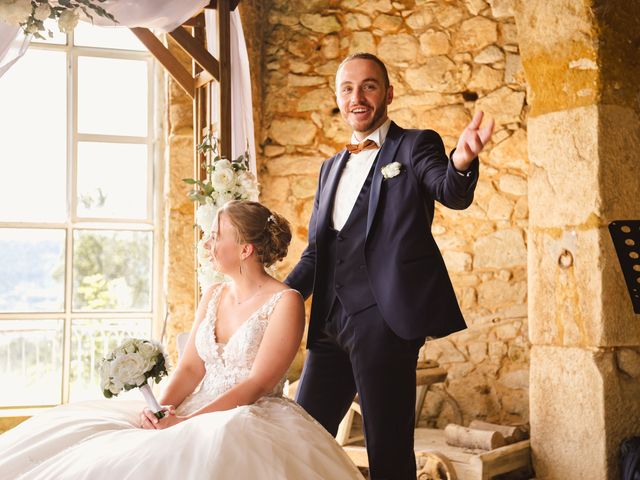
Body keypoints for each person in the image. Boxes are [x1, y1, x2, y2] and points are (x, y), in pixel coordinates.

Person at [0, 200, 364, 480]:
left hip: (247, 417)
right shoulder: (214, 294)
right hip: (192, 405)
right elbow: (191, 368)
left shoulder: (285, 302)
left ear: (245, 249)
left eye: (217, 235)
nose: (207, 243)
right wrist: (162, 408)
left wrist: (190, 423)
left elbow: (258, 383)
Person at [284, 52, 494, 480]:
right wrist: (274, 299)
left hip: (385, 320)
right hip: (327, 323)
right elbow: (318, 251)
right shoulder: (329, 168)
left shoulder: (415, 145)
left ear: (388, 93)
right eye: (347, 88)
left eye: (368, 86)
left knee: (388, 450)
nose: (356, 97)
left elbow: (447, 189)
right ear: (337, 98)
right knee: (304, 437)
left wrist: (463, 160)